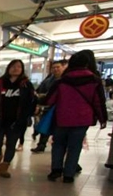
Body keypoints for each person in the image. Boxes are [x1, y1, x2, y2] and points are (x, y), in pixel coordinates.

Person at [46, 50, 107, 183]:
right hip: (82, 119)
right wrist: (103, 119)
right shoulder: (94, 80)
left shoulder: (62, 80)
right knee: (75, 146)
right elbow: (99, 102)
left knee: (58, 144)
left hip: (62, 118)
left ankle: (56, 170)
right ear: (87, 63)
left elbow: (50, 100)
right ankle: (68, 174)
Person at [0, 59, 35, 178]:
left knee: (11, 144)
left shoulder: (26, 85)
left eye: (18, 67)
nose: (15, 68)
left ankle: (5, 166)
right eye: (13, 66)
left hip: (16, 122)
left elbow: (31, 102)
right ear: (8, 68)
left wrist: (27, 116)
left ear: (22, 69)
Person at [31, 60, 66, 153]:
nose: (55, 69)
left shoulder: (66, 80)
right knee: (45, 126)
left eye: (57, 67)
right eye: (53, 68)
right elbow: (38, 91)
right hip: (48, 107)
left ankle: (60, 146)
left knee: (59, 129)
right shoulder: (48, 80)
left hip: (62, 108)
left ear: (63, 67)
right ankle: (41, 145)